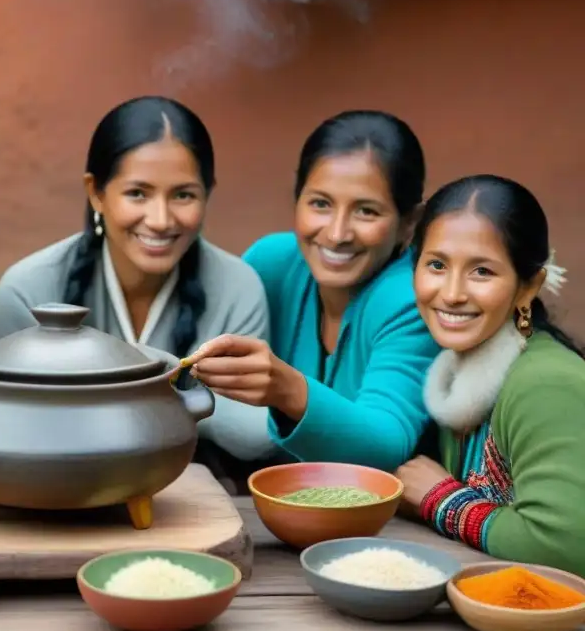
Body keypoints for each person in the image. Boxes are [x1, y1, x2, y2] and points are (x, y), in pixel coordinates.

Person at [0, 95, 274, 479]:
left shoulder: (237, 287)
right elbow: (9, 428)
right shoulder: (30, 289)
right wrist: (180, 395)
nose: (159, 219)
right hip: (54, 494)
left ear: (208, 194)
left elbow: (254, 436)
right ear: (96, 193)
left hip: (193, 502)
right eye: (137, 193)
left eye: (183, 195)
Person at [184, 110, 440, 472]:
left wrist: (289, 391)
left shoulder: (411, 298)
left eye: (366, 211)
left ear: (409, 223)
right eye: (320, 203)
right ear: (297, 199)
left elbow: (387, 445)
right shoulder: (271, 263)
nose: (337, 233)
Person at [397, 174, 585, 579]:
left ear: (527, 287)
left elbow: (566, 546)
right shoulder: (458, 369)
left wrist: (441, 499)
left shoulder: (546, 383)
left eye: (481, 271)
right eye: (436, 265)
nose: (451, 293)